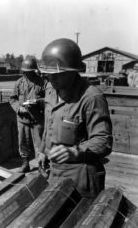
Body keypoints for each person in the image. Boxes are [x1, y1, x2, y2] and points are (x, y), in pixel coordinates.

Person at [37, 38, 113, 198]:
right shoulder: (50, 90)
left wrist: (74, 152)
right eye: (48, 75)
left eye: (57, 74)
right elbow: (49, 123)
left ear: (73, 71)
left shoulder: (91, 97)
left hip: (80, 179)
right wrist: (43, 150)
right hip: (54, 173)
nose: (51, 79)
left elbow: (103, 141)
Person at [9, 57, 46, 173]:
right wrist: (18, 108)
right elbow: (12, 99)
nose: (27, 73)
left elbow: (49, 99)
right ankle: (25, 164)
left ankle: (41, 166)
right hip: (22, 119)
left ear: (34, 70)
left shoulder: (43, 82)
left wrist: (38, 102)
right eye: (25, 71)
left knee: (39, 144)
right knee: (23, 142)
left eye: (30, 71)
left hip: (37, 119)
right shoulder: (19, 83)